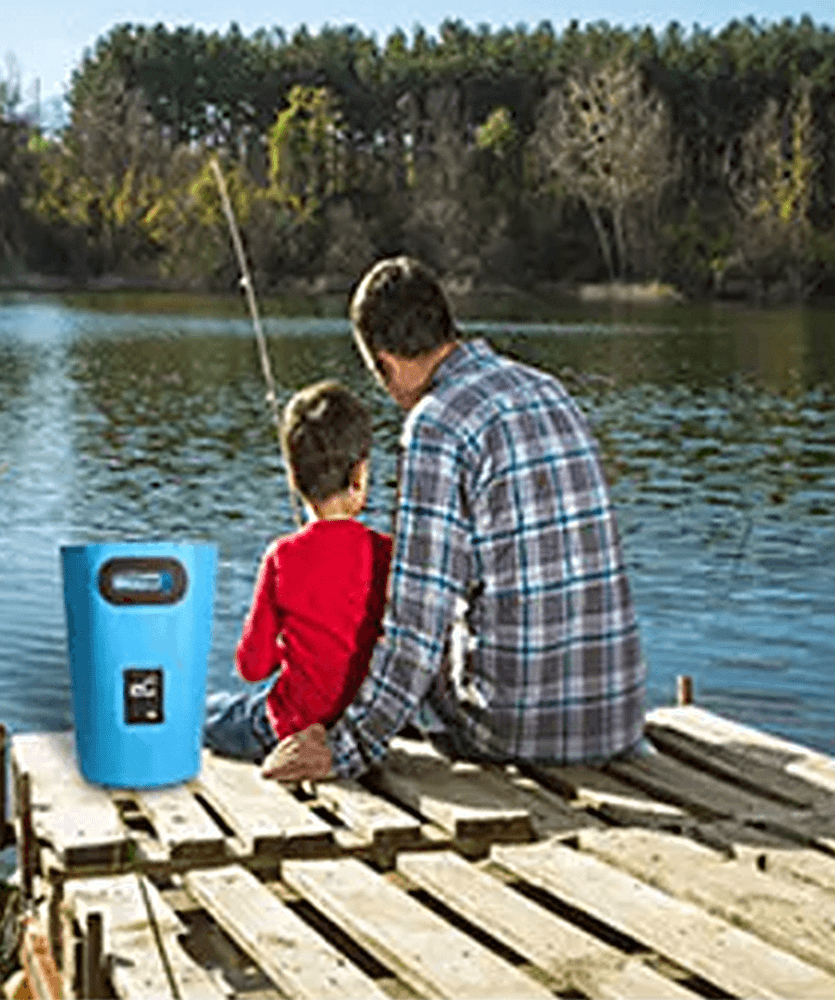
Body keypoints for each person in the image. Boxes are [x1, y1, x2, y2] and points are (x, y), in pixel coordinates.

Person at [262, 256, 646, 781]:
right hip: (616, 719)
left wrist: (347, 748)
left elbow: (417, 624)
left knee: (389, 630)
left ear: (384, 363)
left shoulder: (436, 425)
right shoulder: (548, 389)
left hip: (514, 731)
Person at [203, 379, 393, 763]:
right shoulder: (386, 553)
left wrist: (287, 648)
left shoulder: (283, 556)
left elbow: (252, 667)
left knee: (201, 711)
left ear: (293, 478)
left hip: (286, 729)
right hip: (358, 729)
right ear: (360, 475)